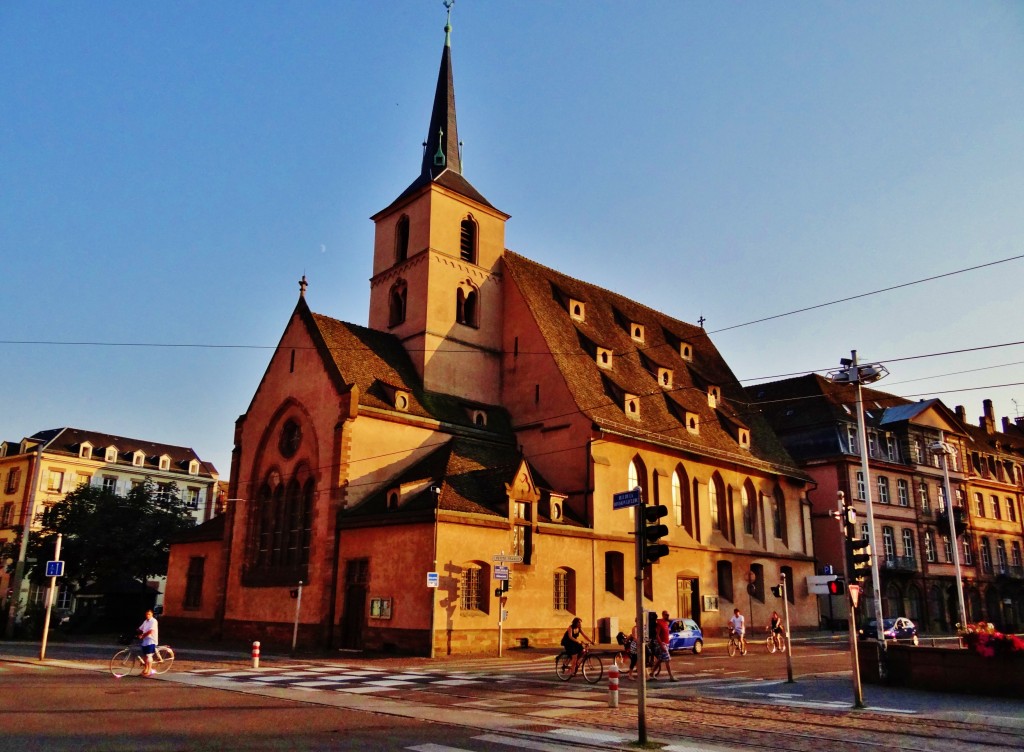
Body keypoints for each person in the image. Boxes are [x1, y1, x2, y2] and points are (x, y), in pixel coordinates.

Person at [654, 610, 678, 680]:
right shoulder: (660, 623)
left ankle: (652, 673)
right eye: (666, 615)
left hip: (666, 644)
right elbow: (657, 635)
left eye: (668, 615)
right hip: (663, 644)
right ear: (663, 615)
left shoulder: (666, 623)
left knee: (660, 659)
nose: (668, 616)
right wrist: (661, 645)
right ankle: (671, 676)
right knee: (667, 660)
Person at [138, 608, 159, 677]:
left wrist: (143, 636)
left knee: (149, 656)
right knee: (145, 656)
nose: (147, 615)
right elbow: (140, 628)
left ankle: (149, 670)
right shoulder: (145, 621)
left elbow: (151, 631)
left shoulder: (154, 621)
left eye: (149, 614)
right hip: (145, 641)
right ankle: (146, 669)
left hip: (151, 640)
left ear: (152, 614)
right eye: (146, 614)